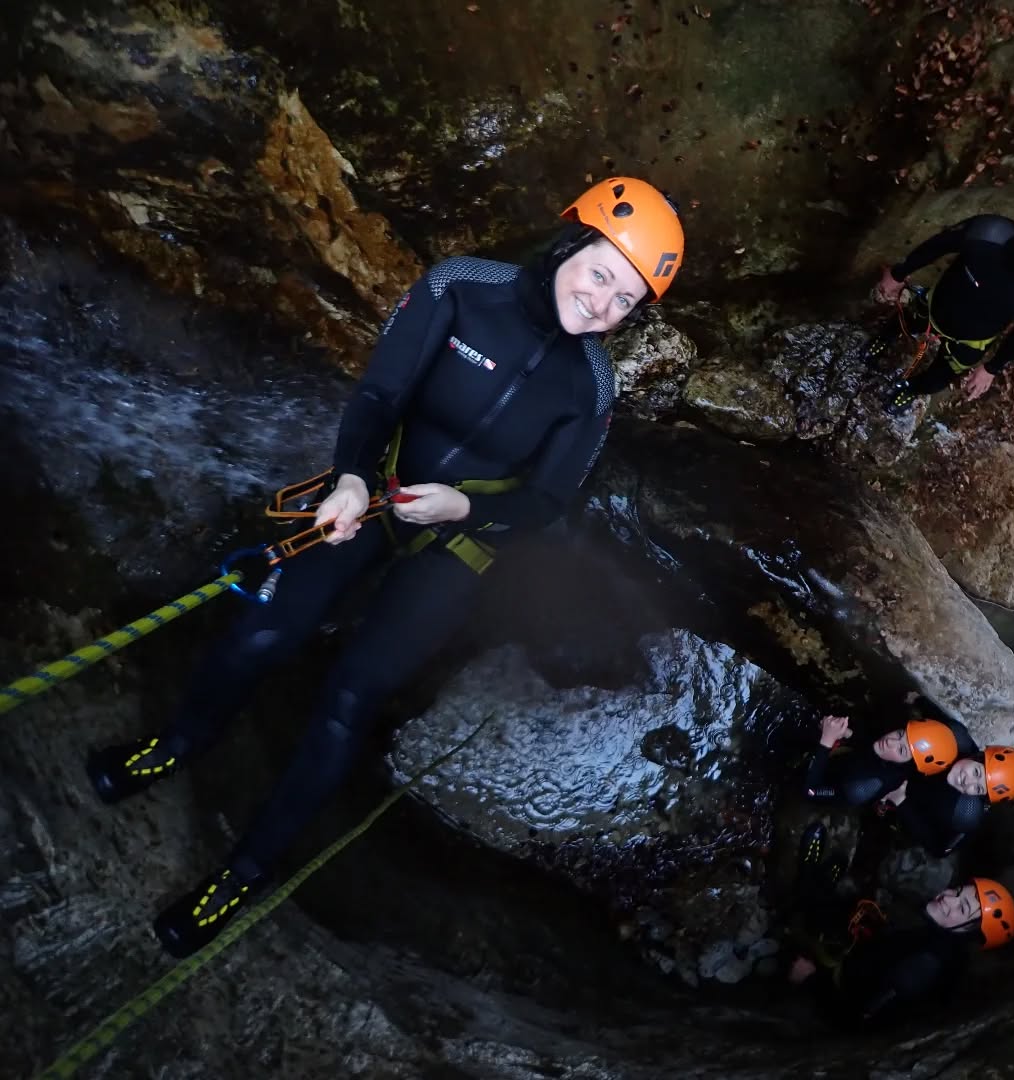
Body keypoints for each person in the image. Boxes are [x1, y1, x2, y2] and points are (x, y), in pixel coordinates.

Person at [84, 177, 685, 958]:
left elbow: (546, 502)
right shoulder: (464, 288)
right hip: (374, 490)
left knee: (348, 701)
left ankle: (243, 873)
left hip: (459, 537)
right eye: (601, 274)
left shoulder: (592, 384)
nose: (603, 305)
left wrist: (465, 511)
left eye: (626, 301)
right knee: (264, 632)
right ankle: (177, 742)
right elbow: (380, 393)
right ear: (571, 245)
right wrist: (353, 479)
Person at [871, 207, 1014, 414]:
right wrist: (899, 273)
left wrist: (991, 368)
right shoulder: (989, 234)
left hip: (970, 341)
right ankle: (882, 339)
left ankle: (911, 389)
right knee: (904, 322)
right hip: (935, 305)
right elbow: (939, 244)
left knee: (937, 379)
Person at [787, 877, 1014, 1025]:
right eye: (957, 891)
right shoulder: (936, 935)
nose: (948, 897)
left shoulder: (921, 969)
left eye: (962, 907)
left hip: (835, 989)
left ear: (968, 932)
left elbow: (860, 1017)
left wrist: (810, 980)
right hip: (855, 961)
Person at [882, 744, 1014, 858]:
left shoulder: (965, 814)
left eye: (978, 789)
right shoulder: (956, 740)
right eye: (976, 772)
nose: (968, 782)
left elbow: (939, 849)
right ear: (976, 756)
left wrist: (901, 802)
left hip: (919, 811)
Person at [802, 714, 959, 807]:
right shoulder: (897, 757)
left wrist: (826, 740)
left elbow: (810, 792)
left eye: (902, 750)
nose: (891, 742)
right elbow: (869, 746)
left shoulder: (863, 788)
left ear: (909, 764)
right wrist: (846, 733)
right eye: (899, 734)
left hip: (820, 782)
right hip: (842, 763)